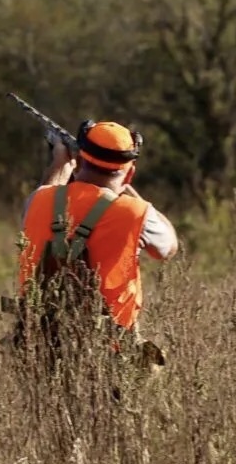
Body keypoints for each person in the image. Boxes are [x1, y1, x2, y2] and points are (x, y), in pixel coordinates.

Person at [14, 119, 179, 348]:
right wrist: (128, 190)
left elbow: (47, 194)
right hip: (108, 352)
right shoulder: (138, 213)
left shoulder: (37, 201)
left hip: (34, 347)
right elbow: (168, 249)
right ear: (130, 174)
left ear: (79, 161)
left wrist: (60, 164)